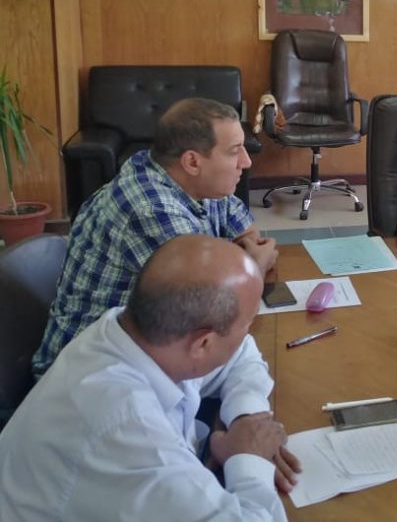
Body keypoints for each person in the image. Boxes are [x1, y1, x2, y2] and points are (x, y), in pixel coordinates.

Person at [0, 235, 299, 521]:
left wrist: (247, 417)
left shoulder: (142, 332)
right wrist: (248, 457)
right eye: (247, 325)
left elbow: (240, 353)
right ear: (203, 344)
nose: (247, 334)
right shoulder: (127, 428)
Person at [33, 97, 278, 377]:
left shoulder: (192, 180)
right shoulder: (151, 208)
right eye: (235, 151)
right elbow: (215, 306)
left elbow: (246, 231)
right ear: (192, 161)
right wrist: (255, 265)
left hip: (149, 351)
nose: (246, 162)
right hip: (92, 376)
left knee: (251, 366)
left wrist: (244, 263)